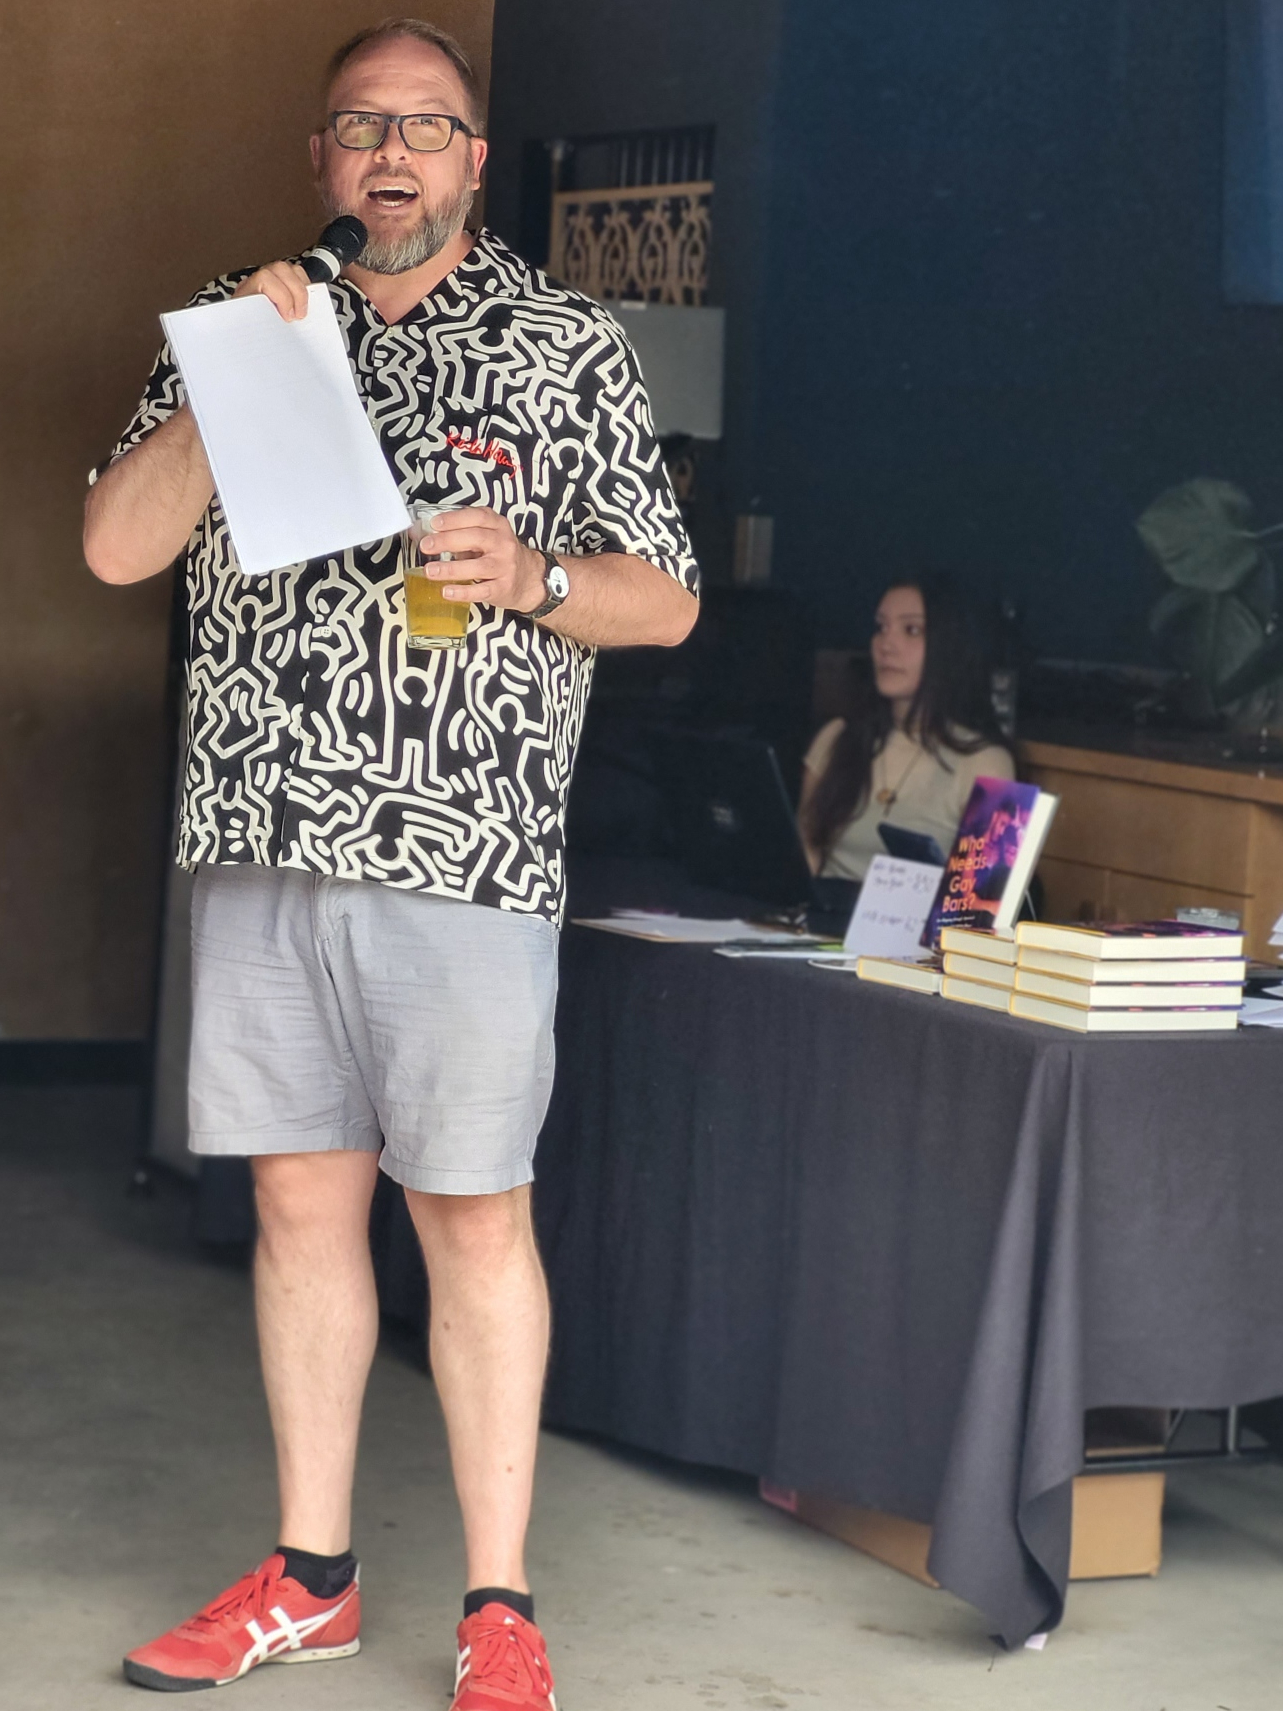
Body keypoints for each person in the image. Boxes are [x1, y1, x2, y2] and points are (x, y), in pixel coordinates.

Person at [83, 19, 698, 1708]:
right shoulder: (240, 319)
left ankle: (500, 1603)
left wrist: (539, 578)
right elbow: (118, 545)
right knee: (298, 1202)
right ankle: (312, 1572)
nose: (392, 154)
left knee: (470, 1213)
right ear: (323, 161)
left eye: (426, 125)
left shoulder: (565, 343)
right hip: (265, 827)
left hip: (466, 849)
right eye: (361, 127)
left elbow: (667, 593)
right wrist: (236, 373)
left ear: (475, 160)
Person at [800, 580, 1013, 880]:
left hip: (918, 925)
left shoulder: (986, 761)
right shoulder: (838, 737)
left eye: (911, 630)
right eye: (881, 627)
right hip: (822, 919)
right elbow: (804, 856)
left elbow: (979, 900)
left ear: (949, 647)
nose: (886, 644)